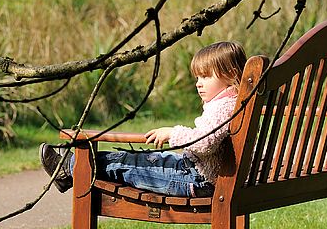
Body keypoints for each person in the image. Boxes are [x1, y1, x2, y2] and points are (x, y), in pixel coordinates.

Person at [39, 41, 247, 198]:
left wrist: (172, 132)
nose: (198, 84)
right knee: (142, 159)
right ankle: (71, 168)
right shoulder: (237, 103)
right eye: (197, 78)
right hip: (196, 172)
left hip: (196, 180)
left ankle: (71, 169)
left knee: (130, 166)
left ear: (230, 74)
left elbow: (204, 142)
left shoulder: (222, 107)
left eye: (206, 76)